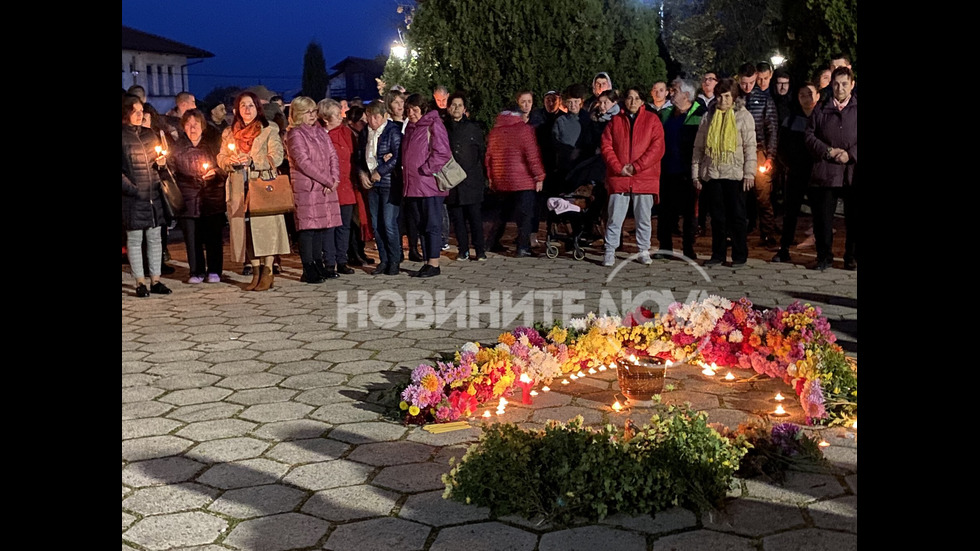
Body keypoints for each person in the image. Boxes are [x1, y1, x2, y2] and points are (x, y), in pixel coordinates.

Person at [217, 91, 290, 291]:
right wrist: (229, 163)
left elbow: (277, 156)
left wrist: (253, 161)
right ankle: (255, 270)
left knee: (265, 231)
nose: (247, 110)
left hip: (262, 187)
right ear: (237, 109)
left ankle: (268, 270)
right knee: (246, 232)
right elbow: (221, 157)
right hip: (239, 188)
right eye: (243, 106)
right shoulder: (229, 133)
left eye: (250, 105)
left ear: (257, 108)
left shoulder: (268, 129)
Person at [692, 78, 757, 267]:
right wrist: (696, 174)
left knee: (737, 216)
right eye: (720, 96)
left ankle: (739, 254)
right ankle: (718, 254)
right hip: (713, 173)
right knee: (717, 217)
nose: (722, 101)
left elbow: (750, 147)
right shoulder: (708, 117)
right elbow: (699, 147)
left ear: (734, 97)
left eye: (727, 96)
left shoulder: (744, 117)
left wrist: (749, 173)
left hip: (735, 173)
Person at [599, 86, 665, 267]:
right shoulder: (615, 121)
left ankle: (643, 250)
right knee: (614, 218)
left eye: (637, 98)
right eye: (629, 98)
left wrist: (637, 166)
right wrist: (618, 167)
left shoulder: (653, 121)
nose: (633, 101)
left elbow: (657, 148)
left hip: (644, 178)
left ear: (642, 101)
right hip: (619, 178)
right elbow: (606, 146)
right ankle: (610, 250)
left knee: (643, 218)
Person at [284, 96, 342, 284]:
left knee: (320, 228)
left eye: (313, 111)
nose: (312, 115)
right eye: (307, 112)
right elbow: (303, 162)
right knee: (308, 228)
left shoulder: (320, 132)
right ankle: (308, 267)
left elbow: (333, 155)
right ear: (298, 114)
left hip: (325, 187)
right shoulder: (295, 134)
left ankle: (318, 264)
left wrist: (334, 179)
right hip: (308, 188)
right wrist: (326, 180)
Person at [805, 66, 857, 271]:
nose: (840, 88)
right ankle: (824, 256)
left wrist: (851, 154)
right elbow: (809, 136)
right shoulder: (821, 108)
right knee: (823, 218)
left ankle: (851, 256)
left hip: (853, 172)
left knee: (854, 218)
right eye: (836, 83)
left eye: (844, 83)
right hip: (826, 171)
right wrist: (828, 151)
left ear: (852, 85)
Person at [122, 95, 172, 297]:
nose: (139, 115)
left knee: (154, 238)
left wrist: (161, 164)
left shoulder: (150, 134)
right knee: (134, 239)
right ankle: (140, 282)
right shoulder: (123, 136)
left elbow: (160, 161)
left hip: (153, 195)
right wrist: (132, 189)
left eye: (141, 111)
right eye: (135, 111)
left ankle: (156, 280)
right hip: (133, 198)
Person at [171, 108, 226, 284]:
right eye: (188, 125)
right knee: (192, 237)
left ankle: (215, 270)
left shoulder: (212, 145)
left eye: (196, 124)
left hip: (212, 195)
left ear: (203, 126)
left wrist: (215, 172)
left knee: (213, 236)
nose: (192, 128)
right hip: (188, 196)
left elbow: (224, 167)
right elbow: (172, 171)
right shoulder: (177, 147)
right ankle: (196, 271)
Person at [401, 94, 453, 277]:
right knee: (421, 224)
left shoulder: (433, 124)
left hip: (429, 184)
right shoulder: (410, 128)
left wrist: (426, 169)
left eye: (415, 110)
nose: (411, 113)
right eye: (408, 110)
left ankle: (434, 262)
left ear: (423, 109)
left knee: (432, 223)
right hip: (414, 185)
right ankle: (427, 261)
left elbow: (442, 152)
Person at [485, 110, 546, 257]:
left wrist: (492, 178)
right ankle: (522, 247)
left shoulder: (495, 131)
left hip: (502, 179)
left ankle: (491, 242)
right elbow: (532, 155)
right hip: (523, 180)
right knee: (525, 215)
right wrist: (539, 176)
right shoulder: (524, 130)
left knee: (502, 213)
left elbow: (489, 158)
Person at [771, 83, 820, 265]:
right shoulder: (790, 120)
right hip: (795, 173)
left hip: (817, 174)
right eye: (802, 95)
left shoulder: (823, 118)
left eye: (810, 94)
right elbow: (781, 147)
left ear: (818, 96)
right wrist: (788, 165)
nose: (806, 98)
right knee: (790, 213)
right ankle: (784, 249)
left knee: (820, 214)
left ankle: (823, 253)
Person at [656, 78, 704, 261]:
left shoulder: (700, 114)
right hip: (666, 169)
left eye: (674, 90)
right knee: (665, 210)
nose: (670, 93)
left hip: (688, 171)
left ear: (686, 94)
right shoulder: (666, 114)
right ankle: (665, 246)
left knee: (689, 212)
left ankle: (688, 248)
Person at [358, 101, 403, 276]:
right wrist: (362, 173)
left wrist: (381, 171)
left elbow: (397, 157)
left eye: (376, 116)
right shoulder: (364, 133)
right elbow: (360, 157)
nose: (372, 120)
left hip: (389, 183)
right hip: (372, 184)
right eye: (369, 116)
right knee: (376, 225)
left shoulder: (392, 131)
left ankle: (394, 260)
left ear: (384, 116)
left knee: (389, 223)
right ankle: (384, 260)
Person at [738, 62, 780, 247]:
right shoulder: (733, 99)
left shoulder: (764, 100)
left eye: (751, 82)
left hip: (758, 151)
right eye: (744, 83)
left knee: (763, 194)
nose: (747, 87)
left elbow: (772, 128)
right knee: (738, 195)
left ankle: (767, 233)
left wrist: (770, 156)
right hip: (737, 153)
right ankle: (737, 233)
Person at [444, 92, 488, 262]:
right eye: (453, 105)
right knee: (458, 219)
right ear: (448, 108)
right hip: (452, 180)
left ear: (465, 109)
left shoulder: (473, 128)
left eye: (460, 105)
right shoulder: (443, 128)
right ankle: (463, 249)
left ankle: (480, 249)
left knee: (475, 218)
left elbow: (481, 151)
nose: (456, 108)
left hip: (471, 179)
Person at [319, 98, 358, 275]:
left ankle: (342, 260)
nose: (342, 117)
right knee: (329, 227)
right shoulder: (320, 135)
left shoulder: (347, 133)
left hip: (346, 185)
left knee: (344, 226)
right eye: (337, 114)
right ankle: (329, 262)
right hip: (328, 187)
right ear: (326, 118)